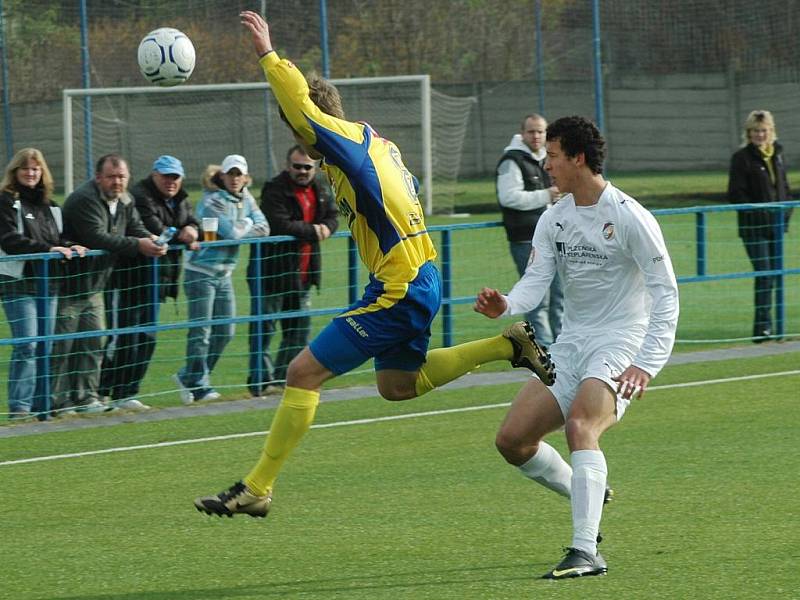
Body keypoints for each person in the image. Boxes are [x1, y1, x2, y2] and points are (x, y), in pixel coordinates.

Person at [192, 10, 555, 519]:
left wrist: (268, 56)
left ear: (319, 129)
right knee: (397, 387)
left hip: (401, 284)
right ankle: (506, 345)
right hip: (416, 274)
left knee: (302, 372)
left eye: (307, 138)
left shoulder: (345, 149)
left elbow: (301, 110)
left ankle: (257, 487)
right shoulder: (376, 141)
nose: (304, 145)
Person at [474, 116, 679, 579]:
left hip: (622, 342)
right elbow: (535, 283)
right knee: (512, 441)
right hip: (572, 342)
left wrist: (646, 363)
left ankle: (585, 551)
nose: (546, 165)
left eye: (552, 156)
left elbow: (666, 291)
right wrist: (506, 303)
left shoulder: (628, 215)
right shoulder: (555, 216)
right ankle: (588, 489)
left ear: (577, 159)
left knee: (581, 426)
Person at [51, 154, 166, 414]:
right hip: (69, 284)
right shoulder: (84, 199)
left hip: (96, 284)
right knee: (63, 345)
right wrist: (139, 245)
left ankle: (86, 398)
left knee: (94, 342)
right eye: (112, 177)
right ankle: (58, 402)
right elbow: (98, 237)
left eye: (122, 177)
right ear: (98, 177)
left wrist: (152, 238)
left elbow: (135, 226)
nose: (117, 182)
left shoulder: (125, 199)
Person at [99, 155, 200, 409]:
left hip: (160, 279)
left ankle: (127, 392)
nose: (170, 182)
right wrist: (182, 233)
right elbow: (153, 227)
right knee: (122, 337)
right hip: (130, 277)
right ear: (154, 175)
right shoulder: (139, 196)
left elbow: (192, 221)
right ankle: (103, 391)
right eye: (166, 176)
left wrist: (193, 230)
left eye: (175, 177)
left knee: (147, 337)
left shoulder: (182, 199)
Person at [173, 155, 271, 404]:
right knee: (201, 332)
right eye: (231, 174)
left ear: (246, 177)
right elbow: (233, 234)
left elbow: (265, 227)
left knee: (226, 331)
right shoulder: (212, 201)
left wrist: (245, 224)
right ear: (223, 176)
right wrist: (248, 222)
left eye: (240, 174)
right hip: (201, 272)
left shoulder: (246, 197)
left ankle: (189, 375)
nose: (235, 179)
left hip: (224, 273)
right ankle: (198, 385)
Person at [0, 148, 86, 419]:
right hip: (18, 282)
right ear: (15, 172)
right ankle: (20, 408)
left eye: (36, 168)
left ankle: (42, 406)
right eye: (25, 168)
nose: (31, 173)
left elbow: (61, 238)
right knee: (28, 344)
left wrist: (72, 246)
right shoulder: (5, 201)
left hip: (48, 284)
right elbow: (9, 240)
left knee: (46, 345)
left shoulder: (51, 206)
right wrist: (47, 249)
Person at [246, 145, 339, 396]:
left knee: (297, 332)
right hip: (271, 273)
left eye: (307, 167)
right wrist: (314, 231)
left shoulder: (319, 189)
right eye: (297, 166)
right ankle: (258, 383)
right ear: (288, 166)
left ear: (314, 168)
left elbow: (333, 214)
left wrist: (327, 228)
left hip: (303, 275)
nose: (302, 171)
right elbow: (278, 222)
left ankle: (280, 380)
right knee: (263, 329)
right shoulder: (275, 188)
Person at [496, 113, 564, 345]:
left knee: (560, 296)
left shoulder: (546, 158)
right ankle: (544, 351)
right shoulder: (511, 161)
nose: (536, 136)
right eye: (531, 131)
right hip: (525, 239)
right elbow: (509, 197)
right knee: (537, 299)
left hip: (553, 238)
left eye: (541, 131)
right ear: (522, 133)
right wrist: (546, 195)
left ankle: (564, 345)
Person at [727, 109, 792, 342]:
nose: (760, 135)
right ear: (749, 133)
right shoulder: (742, 158)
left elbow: (784, 187)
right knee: (764, 274)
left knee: (775, 275)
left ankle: (777, 326)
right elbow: (735, 193)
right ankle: (762, 328)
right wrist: (759, 212)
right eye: (755, 131)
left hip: (776, 227)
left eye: (764, 130)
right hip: (754, 227)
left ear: (771, 131)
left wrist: (785, 216)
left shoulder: (778, 154)